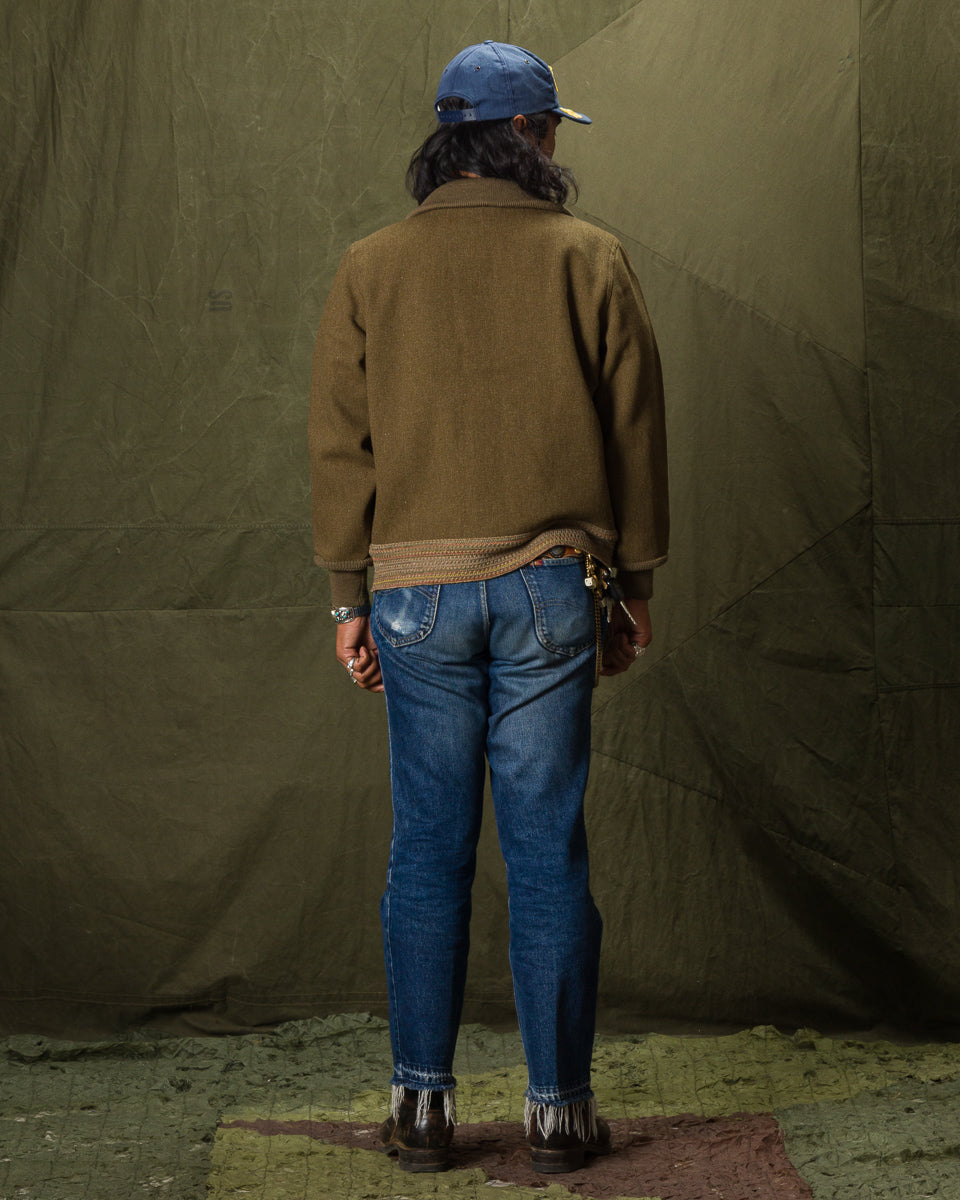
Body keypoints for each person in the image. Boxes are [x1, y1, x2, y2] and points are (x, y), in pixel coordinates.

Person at [309, 40, 668, 1174]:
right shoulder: (590, 256)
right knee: (547, 847)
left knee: (427, 849)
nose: (555, 143)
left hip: (414, 594)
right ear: (525, 135)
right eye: (550, 125)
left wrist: (348, 597)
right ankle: (560, 1115)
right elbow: (636, 431)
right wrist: (635, 585)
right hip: (553, 588)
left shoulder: (370, 266)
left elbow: (341, 445)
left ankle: (421, 1110)